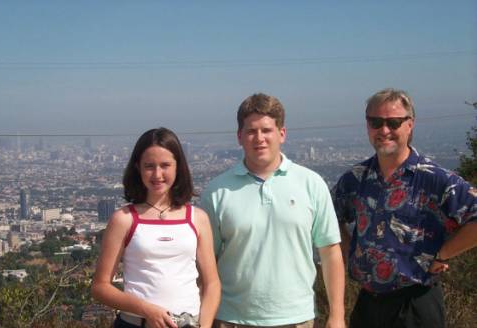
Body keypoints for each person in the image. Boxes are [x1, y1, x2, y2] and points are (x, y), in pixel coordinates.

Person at [332, 88, 477, 328]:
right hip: (368, 303)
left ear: (410, 125)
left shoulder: (436, 178)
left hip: (415, 303)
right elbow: (328, 219)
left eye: (394, 122)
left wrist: (443, 254)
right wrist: (351, 252)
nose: (384, 130)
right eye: (376, 122)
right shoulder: (355, 179)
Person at [201, 93, 345, 328]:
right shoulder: (216, 192)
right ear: (239, 137)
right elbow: (206, 265)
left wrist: (337, 316)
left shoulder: (311, 183)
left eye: (267, 130)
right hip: (232, 319)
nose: (259, 138)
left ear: (282, 134)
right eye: (251, 131)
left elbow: (330, 253)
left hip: (297, 318)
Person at [92, 128, 221, 328]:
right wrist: (146, 309)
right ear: (138, 168)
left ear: (178, 167)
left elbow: (211, 283)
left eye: (165, 165)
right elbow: (100, 286)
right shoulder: (124, 219)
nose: (157, 174)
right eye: (149, 166)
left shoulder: (197, 218)